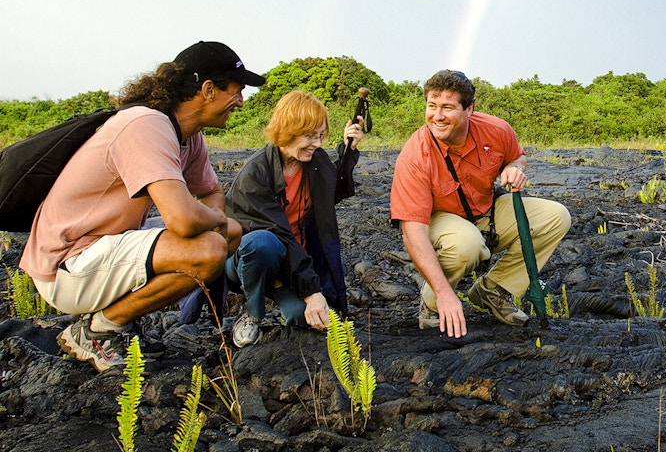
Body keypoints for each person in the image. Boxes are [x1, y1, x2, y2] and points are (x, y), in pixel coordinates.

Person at [20, 41, 264, 371]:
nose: (240, 101)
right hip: (66, 265)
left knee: (229, 233)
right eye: (236, 91)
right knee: (207, 250)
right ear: (208, 89)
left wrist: (212, 219)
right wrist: (206, 221)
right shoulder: (146, 125)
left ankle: (113, 321)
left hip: (101, 249)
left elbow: (210, 194)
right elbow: (183, 220)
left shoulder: (189, 136)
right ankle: (100, 329)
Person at [390, 70, 571, 337]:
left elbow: (517, 157)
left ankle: (494, 289)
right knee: (467, 244)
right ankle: (431, 304)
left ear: (469, 109)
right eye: (431, 106)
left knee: (556, 216)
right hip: (441, 218)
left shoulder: (496, 129)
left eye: (448, 107)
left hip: (487, 210)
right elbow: (412, 231)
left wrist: (513, 168)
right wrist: (444, 294)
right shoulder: (415, 155)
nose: (437, 116)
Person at [223, 90, 363, 347]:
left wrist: (348, 150)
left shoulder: (315, 161)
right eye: (310, 136)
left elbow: (334, 192)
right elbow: (280, 234)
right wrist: (311, 291)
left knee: (308, 319)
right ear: (287, 131)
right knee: (262, 243)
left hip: (293, 262)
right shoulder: (254, 175)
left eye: (321, 135)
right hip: (249, 262)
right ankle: (252, 313)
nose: (318, 143)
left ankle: (286, 298)